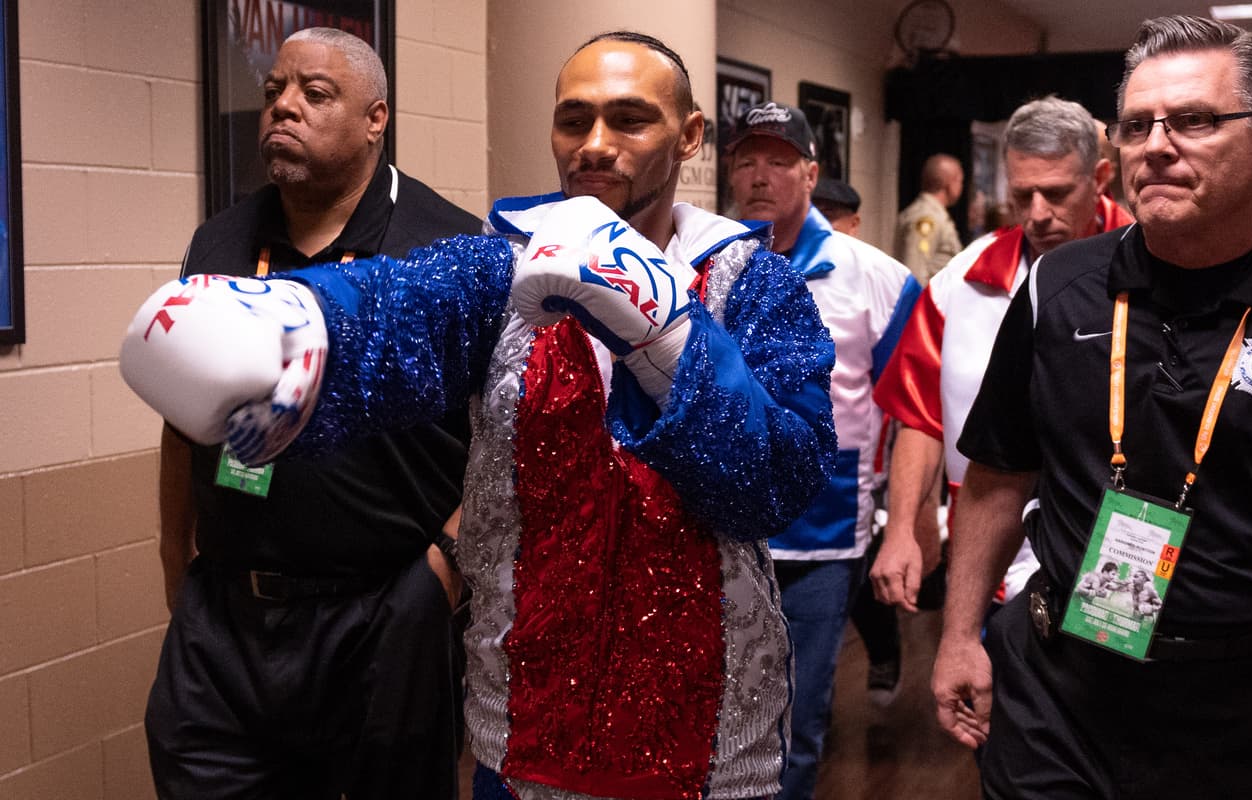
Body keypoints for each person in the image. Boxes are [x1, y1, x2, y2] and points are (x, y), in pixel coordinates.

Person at [122, 30, 837, 800]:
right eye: (574, 120)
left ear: (689, 135)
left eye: (629, 120)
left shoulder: (752, 285)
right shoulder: (501, 266)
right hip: (524, 726)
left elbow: (780, 481)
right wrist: (293, 323)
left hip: (704, 738)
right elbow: (397, 310)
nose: (595, 145)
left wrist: (666, 335)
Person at [932, 16, 1252, 797]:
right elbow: (997, 470)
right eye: (1135, 125)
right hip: (1061, 689)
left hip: (1244, 712)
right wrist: (958, 636)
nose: (1156, 145)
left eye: (1192, 120)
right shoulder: (1059, 287)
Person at [143, 27, 481, 800]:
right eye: (273, 92)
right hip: (225, 619)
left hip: (383, 618)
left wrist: (441, 575)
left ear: (376, 118)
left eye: (314, 94)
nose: (283, 107)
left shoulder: (447, 249)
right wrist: (178, 570)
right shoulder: (222, 240)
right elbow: (179, 417)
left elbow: (506, 443)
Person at [871, 96, 1133, 618]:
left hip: (1113, 558)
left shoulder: (1147, 265)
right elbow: (921, 418)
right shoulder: (960, 280)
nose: (1038, 214)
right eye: (1022, 194)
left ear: (1100, 176)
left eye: (1056, 194)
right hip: (988, 558)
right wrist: (901, 528)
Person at [726, 102, 919, 800]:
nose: (759, 176)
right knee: (712, 718)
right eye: (747, 159)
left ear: (811, 173)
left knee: (794, 724)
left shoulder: (874, 276)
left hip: (820, 536)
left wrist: (907, 521)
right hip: (717, 527)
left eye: (779, 161)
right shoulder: (708, 261)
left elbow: (914, 409)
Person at [893, 153, 964, 284]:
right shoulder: (927, 218)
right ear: (948, 183)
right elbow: (915, 273)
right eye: (960, 180)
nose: (961, 186)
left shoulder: (933, 214)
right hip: (928, 302)